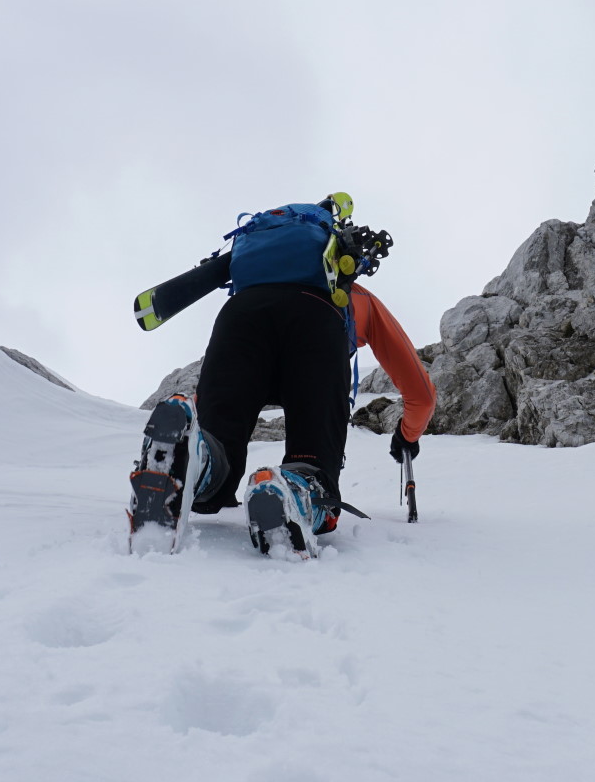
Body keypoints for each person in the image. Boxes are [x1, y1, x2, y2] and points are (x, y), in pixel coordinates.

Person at [130, 195, 434, 555]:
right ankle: (298, 489)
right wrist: (406, 436)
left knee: (218, 441)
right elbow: (421, 394)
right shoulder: (349, 294)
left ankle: (195, 459)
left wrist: (197, 416)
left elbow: (220, 394)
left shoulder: (252, 281)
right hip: (317, 322)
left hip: (240, 316)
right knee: (312, 458)